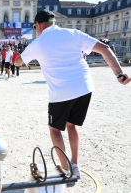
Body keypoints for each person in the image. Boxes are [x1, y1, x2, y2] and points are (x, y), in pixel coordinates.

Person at [14, 10, 131, 179]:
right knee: (71, 125)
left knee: (54, 129)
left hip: (62, 91)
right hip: (84, 87)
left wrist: (16, 58)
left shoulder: (38, 43)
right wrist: (119, 74)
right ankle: (74, 165)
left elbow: (18, 62)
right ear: (53, 22)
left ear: (38, 25)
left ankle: (67, 169)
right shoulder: (73, 33)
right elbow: (105, 49)